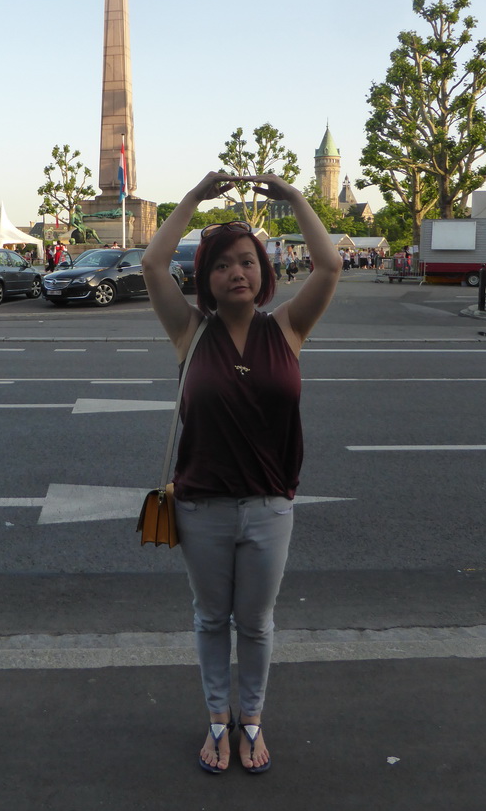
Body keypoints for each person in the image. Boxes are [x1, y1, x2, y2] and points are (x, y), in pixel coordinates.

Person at [142, 172, 341, 775]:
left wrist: (298, 200)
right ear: (206, 277)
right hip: (201, 505)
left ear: (264, 271)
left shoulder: (287, 329)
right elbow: (152, 264)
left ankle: (250, 720)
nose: (238, 272)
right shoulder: (189, 331)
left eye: (248, 262)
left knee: (255, 623)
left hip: (269, 506)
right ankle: (216, 720)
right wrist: (195, 200)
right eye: (225, 264)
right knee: (210, 617)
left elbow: (329, 266)